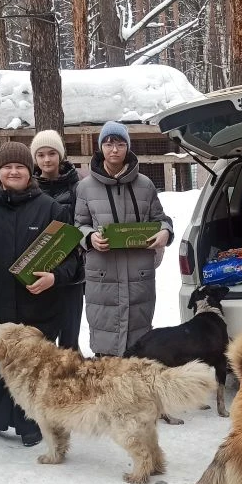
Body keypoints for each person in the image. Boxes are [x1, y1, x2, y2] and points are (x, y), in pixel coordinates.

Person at [0, 141, 79, 447]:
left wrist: (54, 277)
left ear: (30, 171)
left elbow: (72, 260)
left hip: (36, 310)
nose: (13, 172)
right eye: (7, 167)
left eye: (20, 167)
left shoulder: (51, 209)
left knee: (34, 371)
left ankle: (30, 421)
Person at [74, 121, 173, 356]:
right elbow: (79, 226)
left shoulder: (145, 185)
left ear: (127, 147)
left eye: (120, 144)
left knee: (139, 349)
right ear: (101, 147)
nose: (114, 150)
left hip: (138, 276)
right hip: (103, 275)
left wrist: (165, 232)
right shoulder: (85, 187)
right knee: (106, 352)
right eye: (109, 144)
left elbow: (161, 219)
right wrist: (90, 238)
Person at [31, 130, 85, 351]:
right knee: (42, 341)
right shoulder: (29, 188)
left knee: (69, 341)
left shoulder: (78, 186)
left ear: (60, 155)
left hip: (71, 271)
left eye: (52, 153)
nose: (46, 159)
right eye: (41, 154)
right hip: (38, 269)